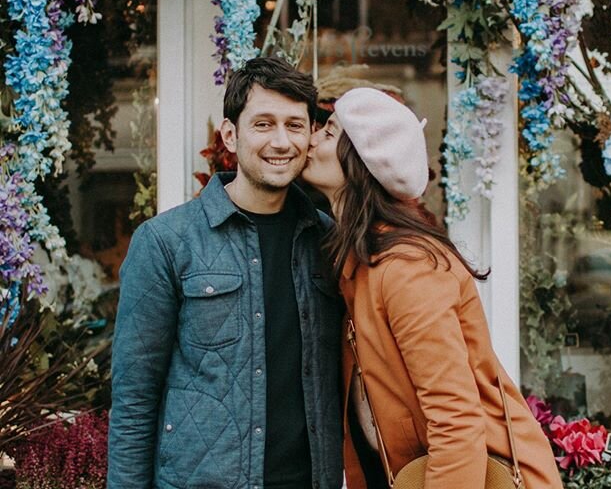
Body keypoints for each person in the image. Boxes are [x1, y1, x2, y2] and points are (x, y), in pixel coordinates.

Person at [302, 87, 563, 489]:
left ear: (359, 161)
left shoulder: (407, 268)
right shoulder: (359, 265)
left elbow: (455, 420)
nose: (313, 136)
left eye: (330, 130)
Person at [108, 57, 344, 489]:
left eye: (295, 125)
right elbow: (134, 401)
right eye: (263, 124)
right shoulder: (165, 242)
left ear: (312, 135)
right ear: (231, 135)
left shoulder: (329, 242)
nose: (280, 141)